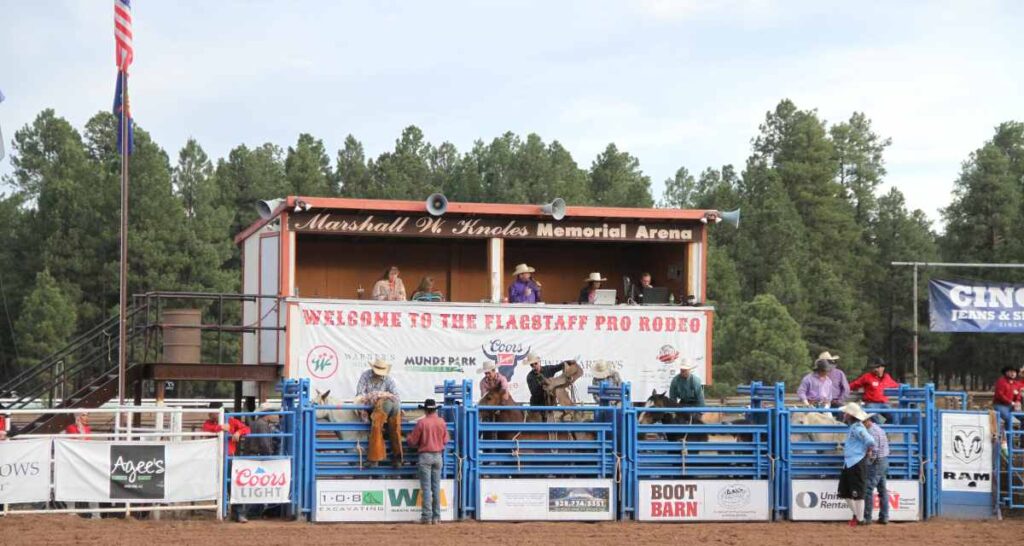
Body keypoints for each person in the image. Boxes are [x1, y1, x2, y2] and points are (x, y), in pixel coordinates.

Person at [407, 398, 449, 525]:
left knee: (426, 488)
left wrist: (408, 437)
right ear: (435, 409)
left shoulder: (421, 423)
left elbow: (412, 441)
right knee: (436, 487)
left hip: (425, 456)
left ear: (425, 409)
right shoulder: (441, 422)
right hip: (438, 456)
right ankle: (437, 517)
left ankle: (427, 516)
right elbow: (446, 440)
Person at [356, 359, 403, 466]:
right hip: (393, 404)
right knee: (395, 429)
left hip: (384, 405)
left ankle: (374, 458)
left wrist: (375, 396)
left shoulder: (383, 379)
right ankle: (398, 459)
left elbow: (360, 396)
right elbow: (396, 395)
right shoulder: (368, 376)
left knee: (376, 428)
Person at [838, 402, 876, 527]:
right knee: (846, 492)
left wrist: (865, 450)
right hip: (851, 462)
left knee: (856, 492)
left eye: (845, 413)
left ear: (850, 415)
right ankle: (858, 517)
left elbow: (870, 440)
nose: (844, 414)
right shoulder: (855, 427)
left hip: (856, 462)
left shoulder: (857, 428)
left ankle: (859, 518)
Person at [850, 358, 900, 422]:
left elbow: (896, 385)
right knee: (874, 418)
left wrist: (904, 387)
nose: (875, 369)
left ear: (883, 368)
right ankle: (878, 429)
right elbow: (855, 384)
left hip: (884, 404)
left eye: (877, 367)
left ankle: (882, 431)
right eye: (874, 367)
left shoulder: (887, 377)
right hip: (871, 403)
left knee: (895, 417)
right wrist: (844, 388)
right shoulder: (867, 377)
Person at [863, 414, 891, 525]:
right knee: (882, 490)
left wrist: (869, 461)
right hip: (884, 461)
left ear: (866, 422)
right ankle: (884, 517)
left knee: (868, 489)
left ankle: (867, 517)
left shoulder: (871, 432)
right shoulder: (879, 429)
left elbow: (873, 450)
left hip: (877, 462)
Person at [525, 353, 564, 417]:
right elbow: (534, 393)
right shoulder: (530, 376)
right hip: (537, 406)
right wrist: (541, 385)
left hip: (549, 404)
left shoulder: (548, 369)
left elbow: (558, 366)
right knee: (537, 425)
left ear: (539, 362)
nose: (534, 366)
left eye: (535, 363)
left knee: (551, 423)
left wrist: (567, 363)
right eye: (532, 365)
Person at [993, 366, 1022, 433]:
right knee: (1009, 418)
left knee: (1022, 418)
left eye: (1014, 372)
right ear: (1006, 373)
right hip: (1000, 405)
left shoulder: (1017, 384)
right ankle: (1008, 440)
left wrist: (1017, 401)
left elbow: (1018, 394)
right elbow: (999, 395)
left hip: (1012, 405)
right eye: (1011, 371)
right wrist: (1011, 402)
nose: (1013, 373)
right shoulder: (1001, 381)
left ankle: (1022, 440)